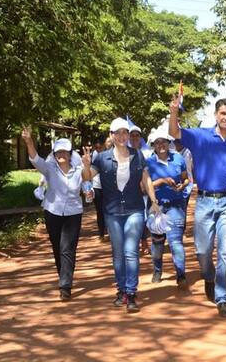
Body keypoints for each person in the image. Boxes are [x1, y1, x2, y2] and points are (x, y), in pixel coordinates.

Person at [169, 97, 226, 318]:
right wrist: (174, 111)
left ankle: (223, 297)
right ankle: (208, 276)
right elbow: (175, 132)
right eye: (223, 113)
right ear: (216, 114)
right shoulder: (200, 136)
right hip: (205, 201)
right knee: (203, 251)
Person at [83, 117, 160, 313]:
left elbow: (146, 178)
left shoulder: (138, 155)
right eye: (117, 133)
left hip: (134, 209)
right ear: (111, 136)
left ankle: (132, 293)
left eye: (125, 132)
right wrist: (85, 165)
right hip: (112, 211)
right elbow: (86, 177)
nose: (122, 136)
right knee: (118, 254)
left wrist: (154, 201)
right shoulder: (101, 158)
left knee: (130, 251)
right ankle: (121, 291)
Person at [21, 128, 90, 301]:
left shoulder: (79, 169)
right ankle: (63, 276)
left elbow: (87, 186)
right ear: (54, 153)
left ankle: (65, 286)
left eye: (64, 152)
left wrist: (89, 192)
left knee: (68, 248)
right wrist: (29, 141)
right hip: (52, 211)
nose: (61, 155)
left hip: (73, 212)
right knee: (57, 247)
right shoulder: (49, 169)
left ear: (70, 153)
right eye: (58, 151)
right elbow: (35, 159)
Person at [146, 131, 190, 290]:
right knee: (157, 243)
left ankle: (181, 275)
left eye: (163, 141)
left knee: (175, 241)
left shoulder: (178, 158)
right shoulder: (148, 163)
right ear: (153, 146)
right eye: (157, 143)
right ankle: (157, 270)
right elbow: (144, 186)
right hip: (157, 206)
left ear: (168, 142)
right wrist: (162, 181)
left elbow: (186, 178)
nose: (161, 145)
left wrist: (182, 185)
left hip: (176, 204)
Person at [129, 124, 153, 255]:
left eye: (137, 135)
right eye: (132, 135)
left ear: (140, 137)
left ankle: (144, 241)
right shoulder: (123, 151)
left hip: (143, 191)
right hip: (127, 191)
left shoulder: (147, 152)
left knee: (143, 217)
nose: (134, 138)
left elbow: (150, 171)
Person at [172, 137, 194, 224]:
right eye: (176, 141)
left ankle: (181, 228)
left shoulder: (188, 153)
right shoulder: (173, 152)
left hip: (186, 185)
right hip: (174, 184)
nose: (177, 143)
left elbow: (191, 168)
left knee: (182, 208)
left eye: (179, 141)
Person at [91, 135, 108, 242]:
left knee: (109, 210)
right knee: (99, 211)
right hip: (96, 186)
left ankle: (111, 231)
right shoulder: (92, 156)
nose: (98, 149)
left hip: (108, 186)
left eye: (100, 147)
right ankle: (101, 233)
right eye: (96, 147)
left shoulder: (109, 154)